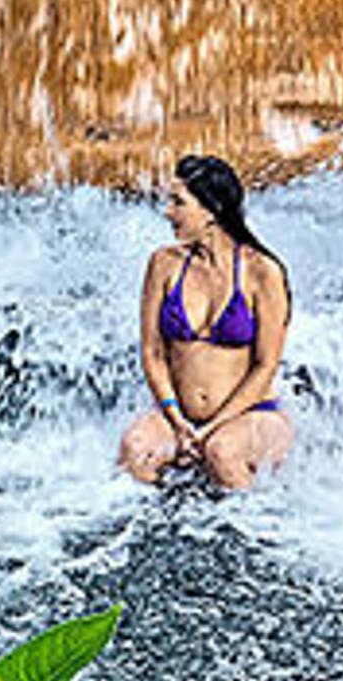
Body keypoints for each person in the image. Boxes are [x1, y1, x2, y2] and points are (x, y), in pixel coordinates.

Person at [120, 154, 298, 490]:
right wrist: (176, 418)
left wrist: (212, 427)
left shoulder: (262, 272)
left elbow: (265, 366)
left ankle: (255, 537)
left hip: (253, 415)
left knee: (221, 451)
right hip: (180, 417)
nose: (168, 212)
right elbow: (153, 352)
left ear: (212, 211)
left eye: (178, 202)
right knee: (137, 449)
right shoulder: (163, 264)